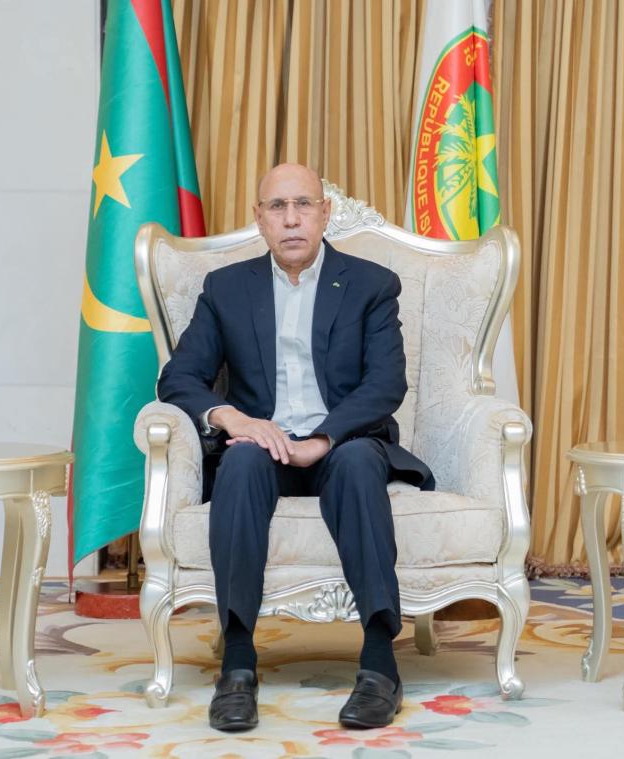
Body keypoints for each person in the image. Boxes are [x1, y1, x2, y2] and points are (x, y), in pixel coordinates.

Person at [157, 163, 434, 732]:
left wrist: (324, 439)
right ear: (259, 218)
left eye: (303, 205)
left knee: (357, 463)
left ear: (325, 214)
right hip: (264, 444)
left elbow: (386, 384)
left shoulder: (371, 284)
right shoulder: (226, 289)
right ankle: (237, 666)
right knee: (238, 461)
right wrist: (233, 418)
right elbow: (179, 377)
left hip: (343, 442)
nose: (291, 219)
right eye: (277, 207)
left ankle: (379, 664)